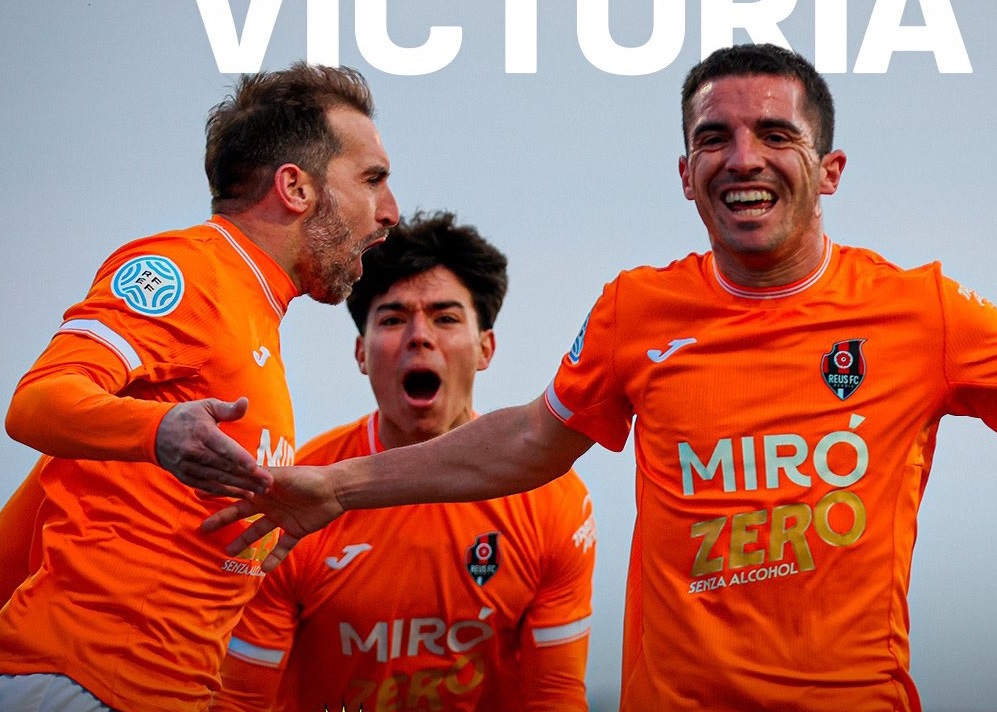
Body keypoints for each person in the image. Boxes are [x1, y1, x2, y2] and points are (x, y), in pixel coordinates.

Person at [204, 43, 996, 711]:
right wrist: (338, 487)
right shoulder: (637, 310)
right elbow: (527, 440)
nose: (742, 158)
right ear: (686, 174)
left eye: (774, 134)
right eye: (713, 138)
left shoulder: (920, 311)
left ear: (829, 170)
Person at [0, 63, 399, 712]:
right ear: (296, 188)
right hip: (82, 684)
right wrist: (159, 432)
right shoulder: (189, 270)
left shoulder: (254, 312)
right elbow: (39, 402)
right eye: (372, 179)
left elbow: (59, 476)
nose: (390, 212)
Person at [209, 211, 596, 712]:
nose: (419, 335)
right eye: (392, 318)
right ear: (361, 353)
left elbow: (555, 698)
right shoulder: (292, 499)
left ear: (485, 348)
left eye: (446, 317)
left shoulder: (553, 503)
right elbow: (239, 703)